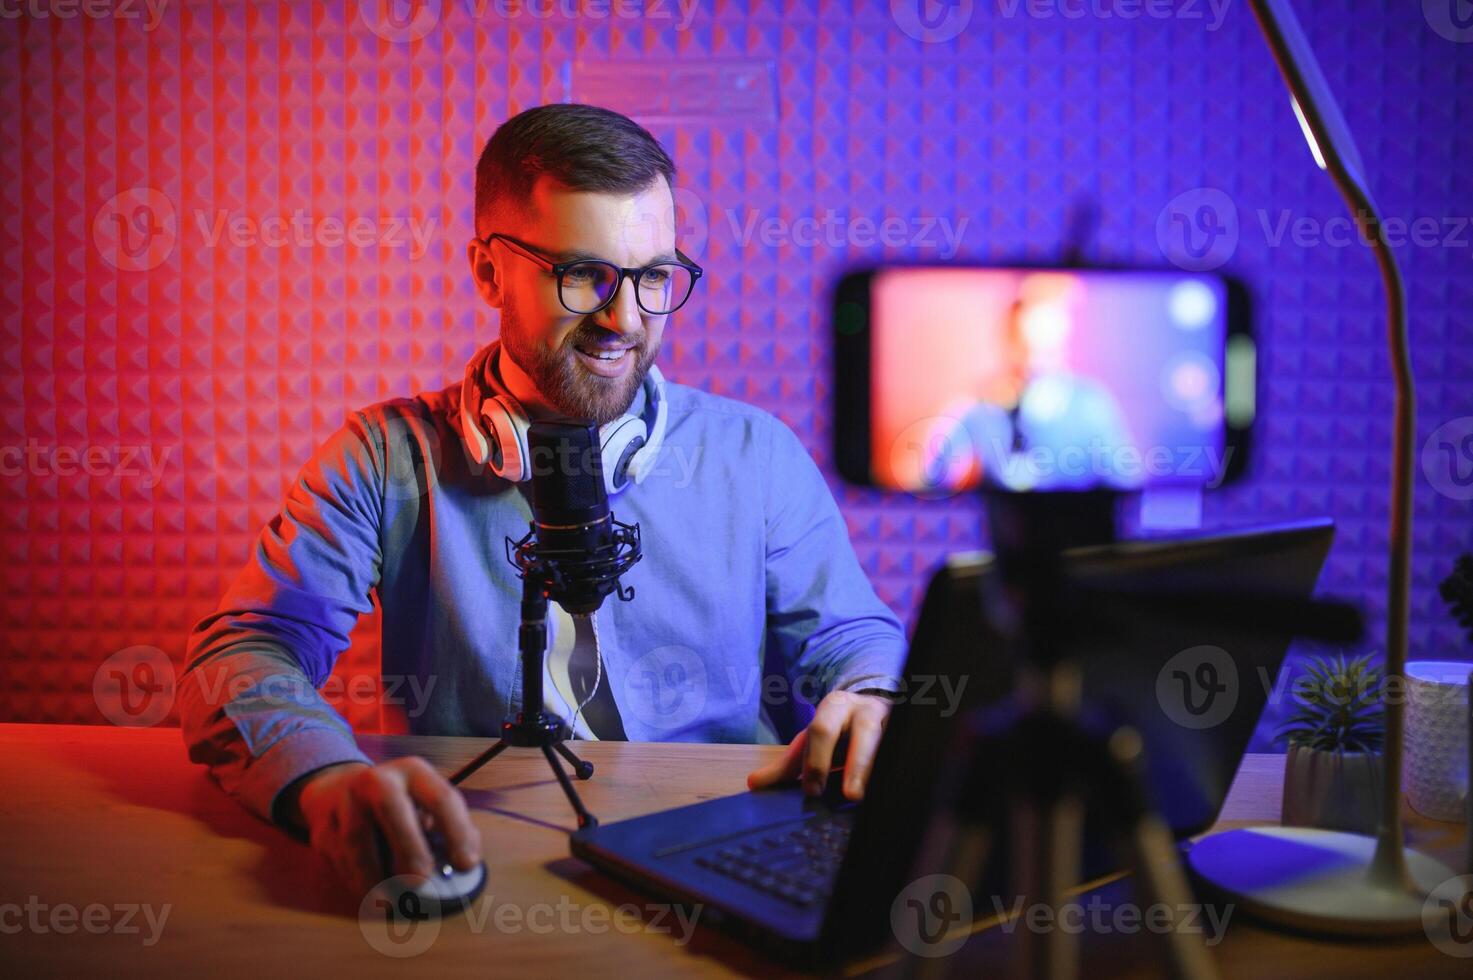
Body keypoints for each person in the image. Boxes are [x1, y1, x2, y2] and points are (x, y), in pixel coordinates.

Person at [179, 104, 906, 901]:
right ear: (488, 272)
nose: (623, 320)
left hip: (717, 851)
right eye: (583, 274)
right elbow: (245, 653)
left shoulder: (754, 454)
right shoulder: (383, 457)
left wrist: (872, 698)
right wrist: (323, 781)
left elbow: (851, 635)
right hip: (482, 851)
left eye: (653, 277)